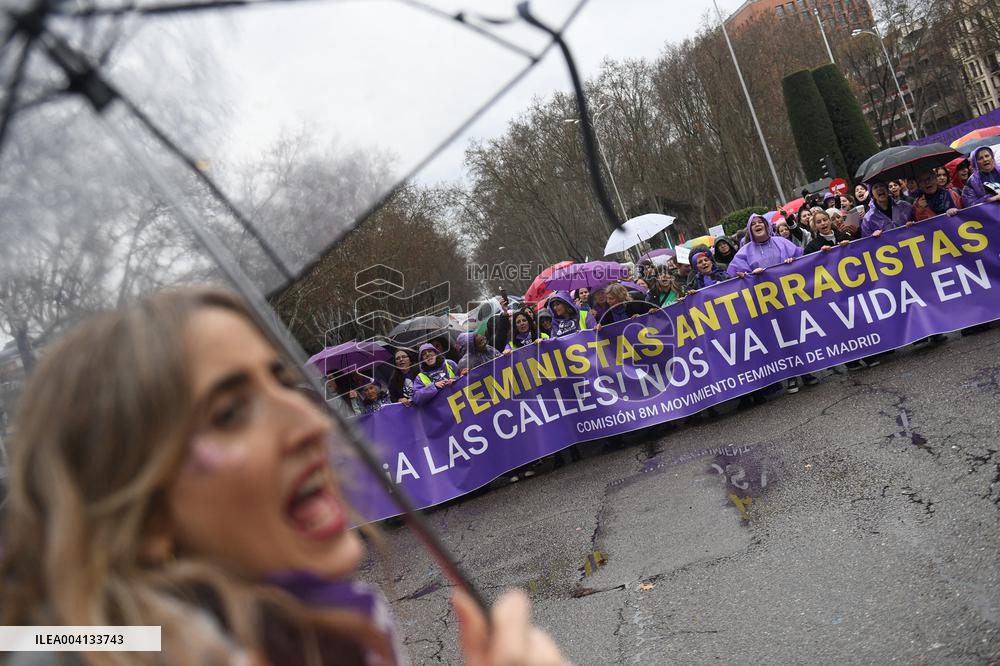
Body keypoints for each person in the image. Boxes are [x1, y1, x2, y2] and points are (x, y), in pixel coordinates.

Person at [0, 287, 567, 666]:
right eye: (229, 412)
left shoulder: (336, 627)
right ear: (139, 513)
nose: (311, 424)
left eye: (281, 382)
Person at [726, 213, 802, 278]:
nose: (757, 224)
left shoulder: (782, 242)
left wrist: (793, 261)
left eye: (760, 222)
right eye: (753, 224)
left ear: (766, 226)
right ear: (750, 231)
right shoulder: (744, 251)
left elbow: (801, 258)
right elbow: (735, 275)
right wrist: (750, 274)